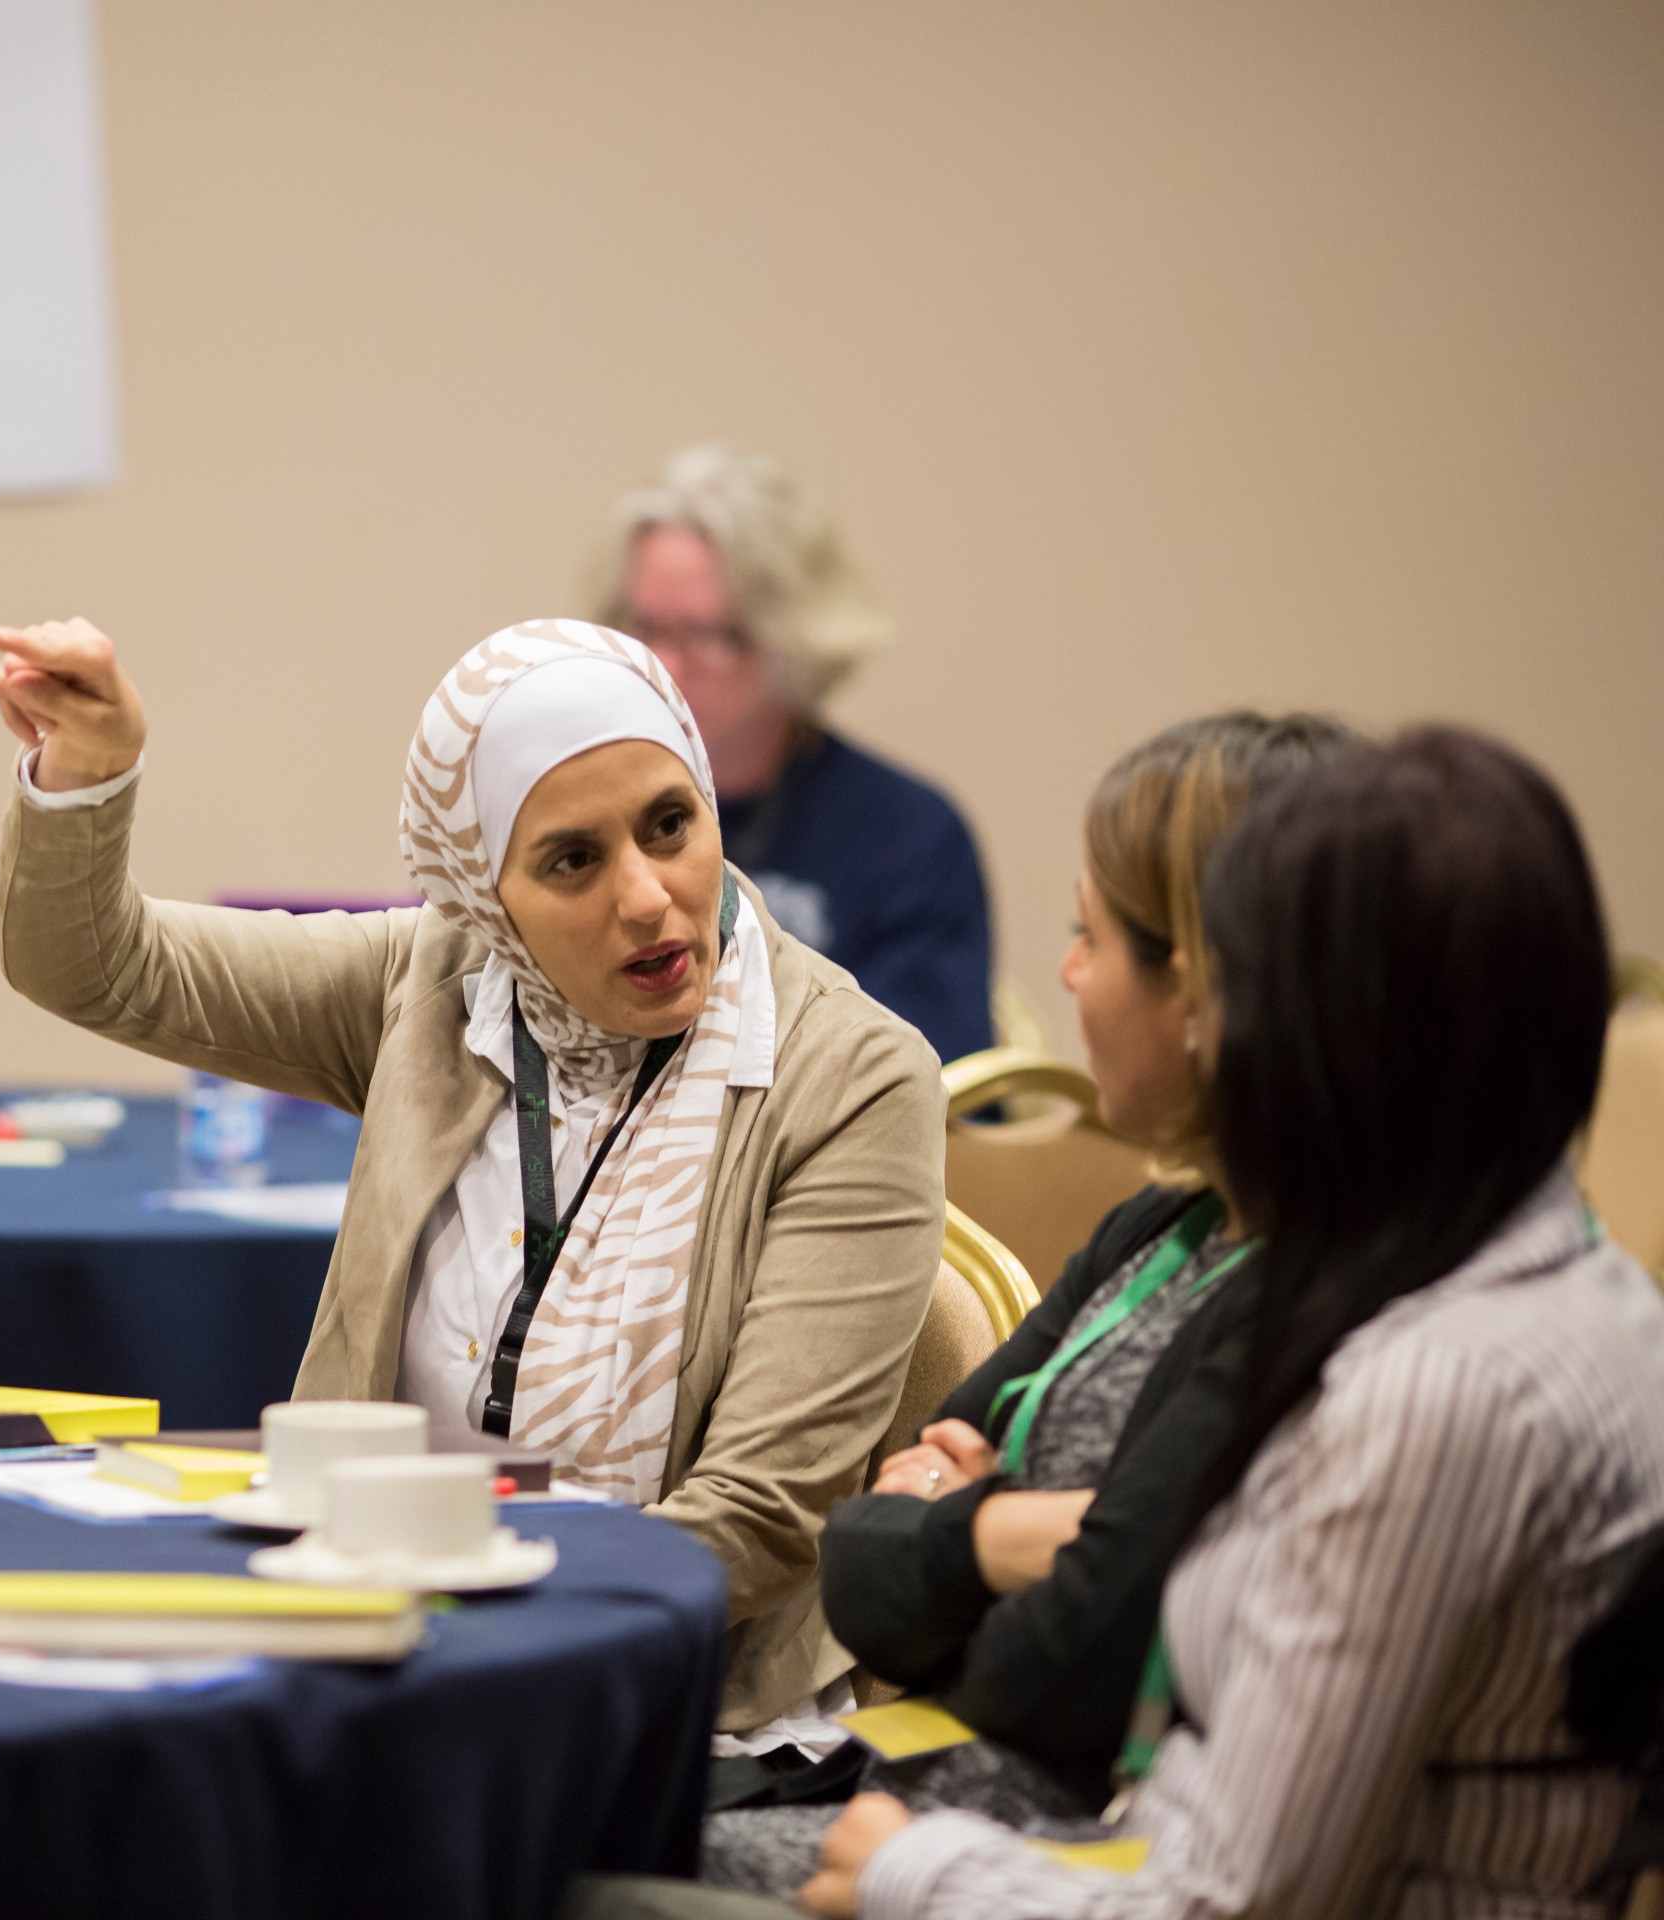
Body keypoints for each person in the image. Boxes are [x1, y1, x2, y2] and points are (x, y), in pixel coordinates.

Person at [583, 728, 1664, 1918]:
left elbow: (1222, 1897)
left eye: (1237, 985)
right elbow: (894, 1575)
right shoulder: (1582, 1288)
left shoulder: (1428, 1383)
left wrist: (906, 1869)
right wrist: (1010, 1543)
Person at [0, 614, 945, 1738]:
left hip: (662, 1700)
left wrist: (465, 1616)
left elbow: (758, 1521)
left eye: (670, 825)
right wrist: (91, 771)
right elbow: (95, 965)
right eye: (573, 861)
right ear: (486, 899)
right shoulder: (438, 986)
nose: (647, 897)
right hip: (371, 1648)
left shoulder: (854, 1078)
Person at [692, 712, 1359, 1884]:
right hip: (915, 1789)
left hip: (1045, 1863)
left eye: (1091, 936)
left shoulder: (1314, 1297)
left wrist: (962, 1528)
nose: (1065, 974)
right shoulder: (1161, 1230)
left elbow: (1076, 1668)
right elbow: (861, 1569)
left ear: (1203, 987)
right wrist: (1011, 1540)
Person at [602, 447, 992, 1064]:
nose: (664, 666)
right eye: (647, 628)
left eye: (706, 635)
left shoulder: (909, 835)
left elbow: (917, 1071)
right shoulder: (590, 811)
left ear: (790, 638)